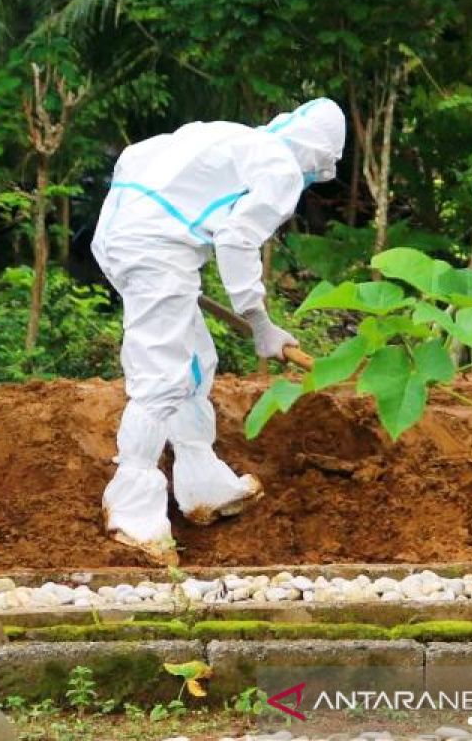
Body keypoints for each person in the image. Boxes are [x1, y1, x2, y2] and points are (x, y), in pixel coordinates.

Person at [91, 97, 347, 566]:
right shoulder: (281, 166)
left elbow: (136, 158)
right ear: (319, 154)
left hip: (122, 231)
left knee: (195, 362)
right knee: (162, 378)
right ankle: (133, 507)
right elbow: (235, 239)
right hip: (155, 249)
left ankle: (201, 481)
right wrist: (262, 325)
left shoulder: (233, 137)